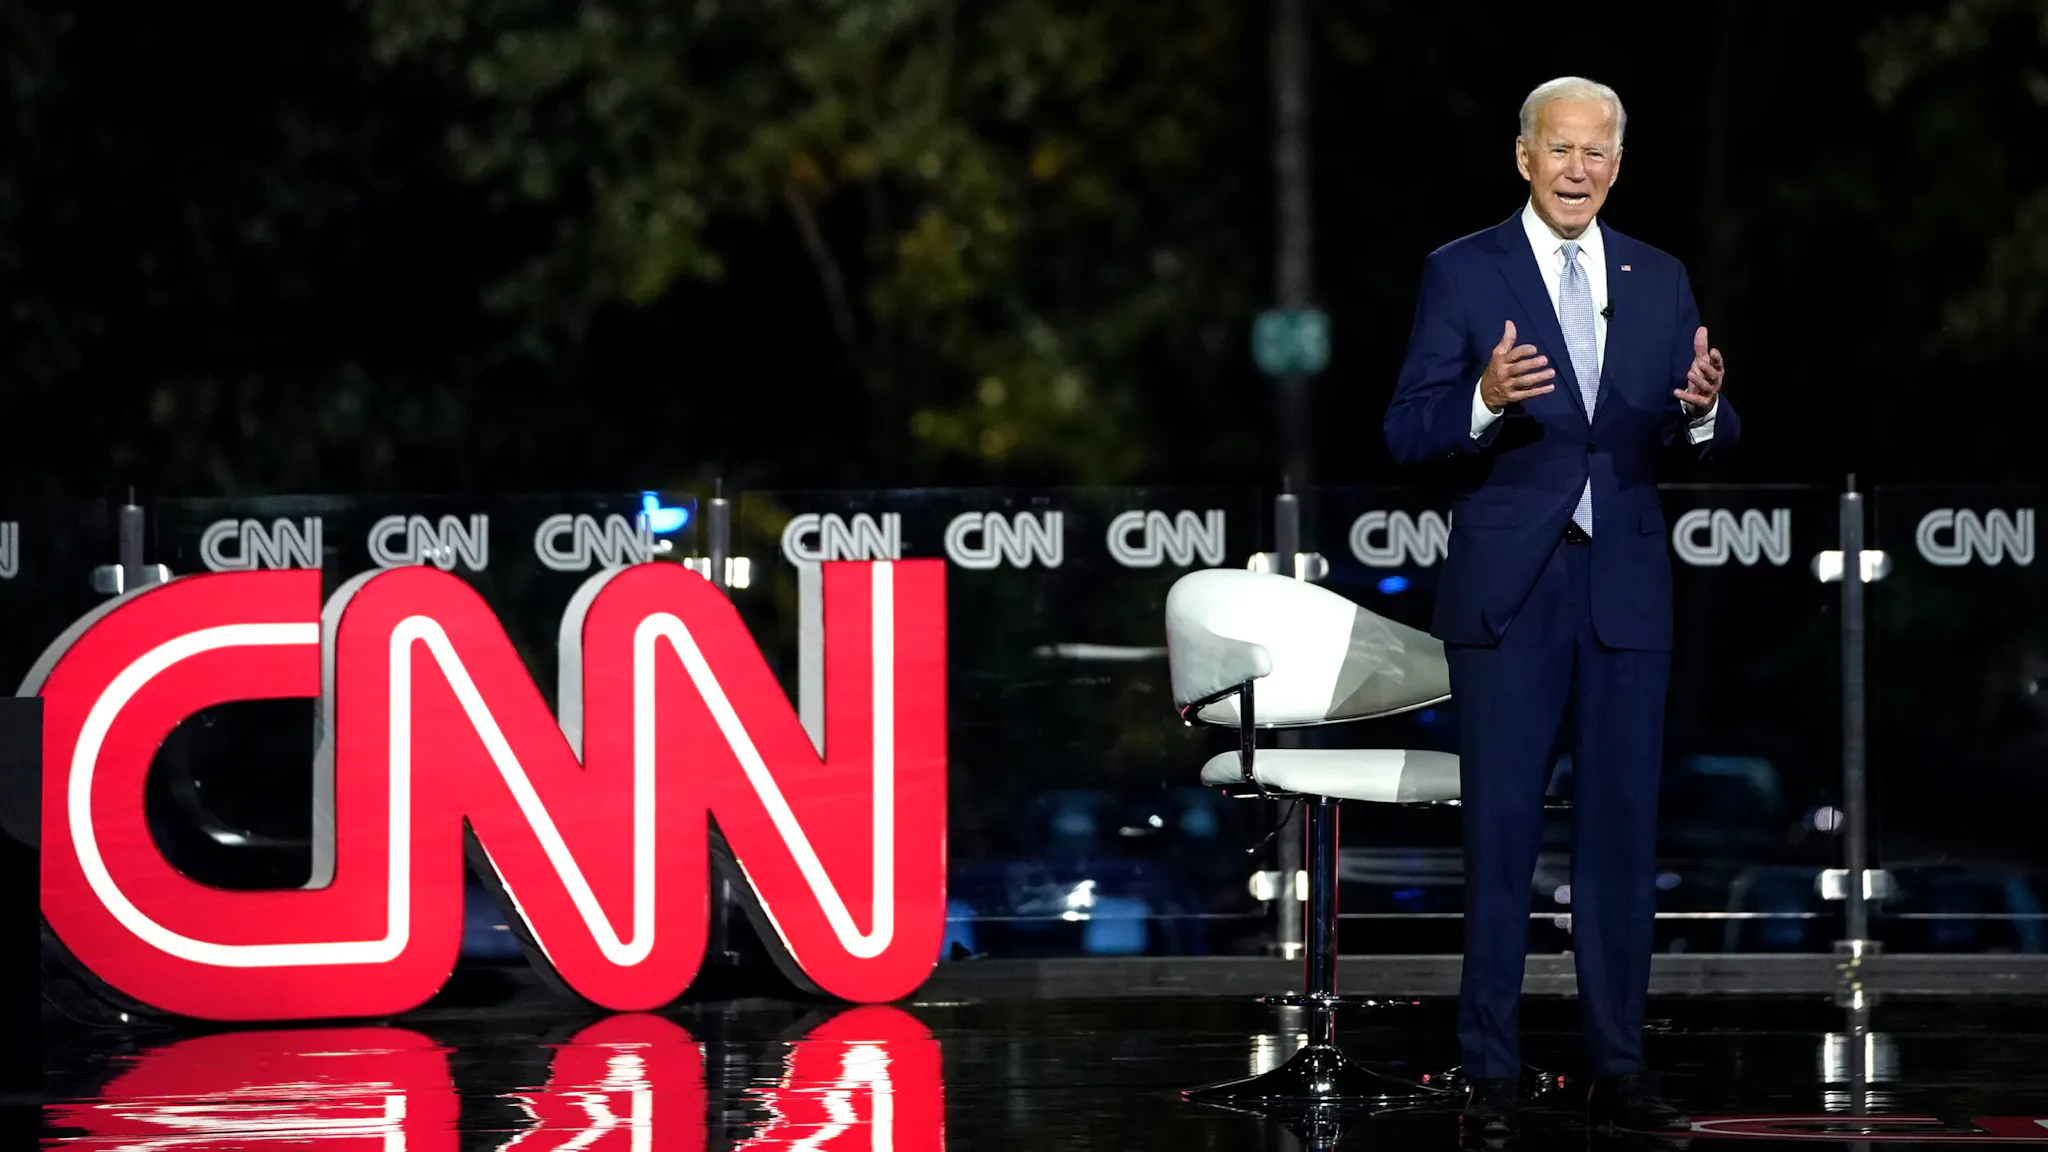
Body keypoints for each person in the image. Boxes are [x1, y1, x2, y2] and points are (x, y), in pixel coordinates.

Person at [1382, 76, 1739, 1138]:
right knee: (1497, 836)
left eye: (1597, 153)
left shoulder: (1659, 276)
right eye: (1559, 150)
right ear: (1523, 157)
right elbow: (1406, 430)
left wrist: (1707, 411)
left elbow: (1704, 420)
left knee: (1620, 838)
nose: (1578, 169)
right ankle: (1488, 1068)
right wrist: (1483, 400)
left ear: (1615, 165)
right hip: (1510, 594)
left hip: (1623, 588)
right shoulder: (1462, 271)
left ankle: (1617, 1064)